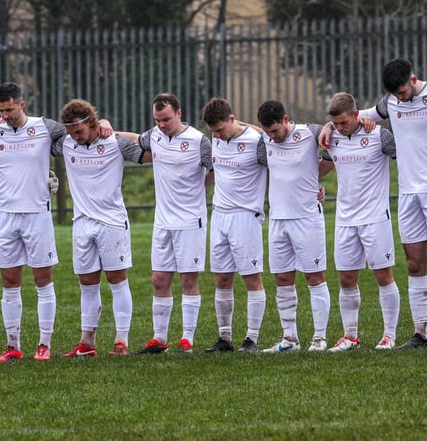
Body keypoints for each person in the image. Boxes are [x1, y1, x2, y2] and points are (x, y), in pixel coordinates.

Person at [319, 58, 427, 348]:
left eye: (403, 91)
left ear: (414, 79)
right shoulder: (391, 102)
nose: (400, 98)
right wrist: (327, 127)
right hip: (408, 193)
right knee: (414, 262)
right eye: (394, 94)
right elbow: (353, 115)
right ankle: (420, 332)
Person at [54, 99, 144, 357]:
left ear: (92, 123)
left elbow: (145, 146)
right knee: (87, 283)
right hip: (81, 223)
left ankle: (121, 341)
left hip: (112, 222)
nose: (75, 137)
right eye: (70, 132)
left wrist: (112, 129)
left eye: (79, 131)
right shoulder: (66, 143)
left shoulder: (114, 142)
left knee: (116, 280)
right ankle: (87, 343)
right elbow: (37, 139)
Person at [129, 93, 213, 354]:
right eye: (157, 120)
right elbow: (135, 139)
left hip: (190, 221)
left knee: (188, 280)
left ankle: (187, 339)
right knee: (159, 279)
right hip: (162, 222)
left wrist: (197, 189)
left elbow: (215, 172)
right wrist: (106, 125)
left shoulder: (199, 140)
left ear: (179, 113)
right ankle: (159, 339)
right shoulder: (153, 135)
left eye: (166, 119)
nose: (162, 124)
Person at [0, 82, 61, 363]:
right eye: (1, 111)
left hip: (37, 214)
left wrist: (102, 124)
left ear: (22, 104)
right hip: (6, 215)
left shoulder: (46, 127)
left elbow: (80, 140)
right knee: (9, 280)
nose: (6, 116)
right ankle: (12, 345)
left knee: (42, 279)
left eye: (10, 110)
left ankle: (44, 344)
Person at [320, 93, 401, 352]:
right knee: (346, 278)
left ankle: (389, 335)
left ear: (357, 115)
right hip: (344, 220)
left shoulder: (379, 136)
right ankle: (350, 336)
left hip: (375, 218)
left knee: (383, 276)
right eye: (335, 123)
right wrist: (328, 127)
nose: (340, 128)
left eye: (343, 122)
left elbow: (409, 153)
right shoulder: (330, 136)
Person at [257, 100, 332, 353]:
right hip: (277, 219)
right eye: (267, 132)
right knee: (282, 278)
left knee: (314, 276)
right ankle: (290, 339)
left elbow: (332, 153)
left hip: (307, 217)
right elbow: (245, 129)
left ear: (286, 119)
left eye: (275, 130)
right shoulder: (265, 139)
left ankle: (320, 338)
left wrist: (313, 179)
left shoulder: (311, 133)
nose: (272, 136)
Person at [200, 98, 268, 353]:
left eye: (219, 129)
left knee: (252, 278)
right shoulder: (216, 140)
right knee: (222, 278)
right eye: (213, 132)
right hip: (219, 215)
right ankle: (224, 337)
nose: (216, 135)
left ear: (232, 119)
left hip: (245, 216)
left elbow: (284, 165)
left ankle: (251, 338)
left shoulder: (257, 140)